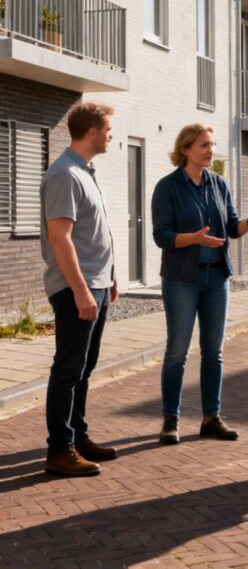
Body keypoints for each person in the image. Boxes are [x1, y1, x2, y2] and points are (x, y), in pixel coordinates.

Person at [151, 123, 248, 444]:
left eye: (212, 144)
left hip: (216, 277)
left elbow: (231, 228)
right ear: (186, 149)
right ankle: (170, 420)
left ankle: (211, 418)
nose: (210, 150)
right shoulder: (167, 187)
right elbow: (161, 236)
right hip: (182, 280)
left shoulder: (219, 184)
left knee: (213, 352)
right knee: (177, 352)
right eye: (204, 145)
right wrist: (193, 239)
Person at [40, 102, 118, 476]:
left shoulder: (85, 172)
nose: (111, 135)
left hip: (97, 284)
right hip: (77, 288)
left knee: (84, 368)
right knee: (69, 369)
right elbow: (61, 238)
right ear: (92, 132)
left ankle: (78, 437)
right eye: (108, 130)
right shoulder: (64, 175)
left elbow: (94, 233)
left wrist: (110, 276)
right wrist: (82, 291)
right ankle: (59, 450)